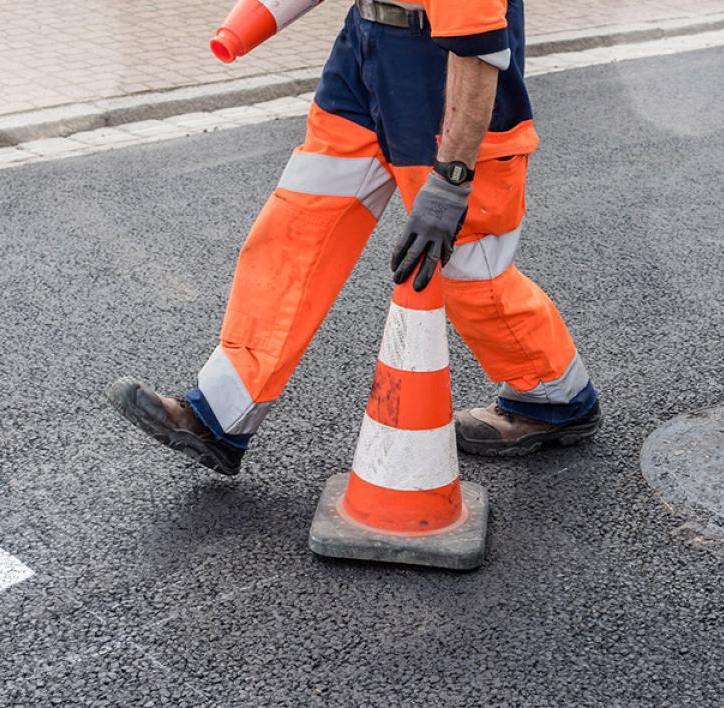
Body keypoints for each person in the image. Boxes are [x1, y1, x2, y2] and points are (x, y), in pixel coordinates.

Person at [107, 0, 602, 475]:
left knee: (469, 270)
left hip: (449, 72)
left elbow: (476, 44)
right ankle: (219, 411)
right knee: (295, 231)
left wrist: (452, 179)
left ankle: (553, 396)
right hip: (366, 51)